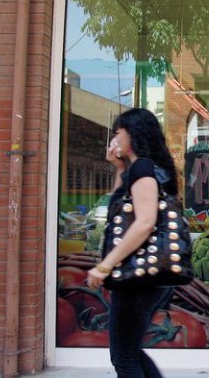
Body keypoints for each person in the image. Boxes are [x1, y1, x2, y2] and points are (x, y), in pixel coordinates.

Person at [86, 108, 177, 378]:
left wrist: (105, 265)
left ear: (133, 134)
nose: (115, 139)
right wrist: (119, 167)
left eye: (118, 133)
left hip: (137, 277)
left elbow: (144, 222)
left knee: (124, 357)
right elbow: (119, 209)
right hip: (150, 274)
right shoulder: (150, 168)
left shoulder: (143, 169)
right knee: (130, 351)